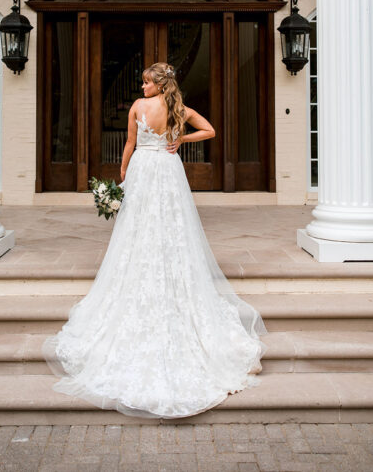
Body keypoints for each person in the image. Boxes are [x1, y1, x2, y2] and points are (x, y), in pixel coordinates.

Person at [42, 62, 267, 419]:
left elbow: (130, 143)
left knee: (141, 225)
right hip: (168, 167)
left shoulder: (137, 106)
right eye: (143, 82)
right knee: (172, 223)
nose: (142, 86)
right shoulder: (178, 109)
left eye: (146, 82)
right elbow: (209, 131)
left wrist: (122, 174)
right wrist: (180, 141)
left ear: (159, 84)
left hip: (145, 170)